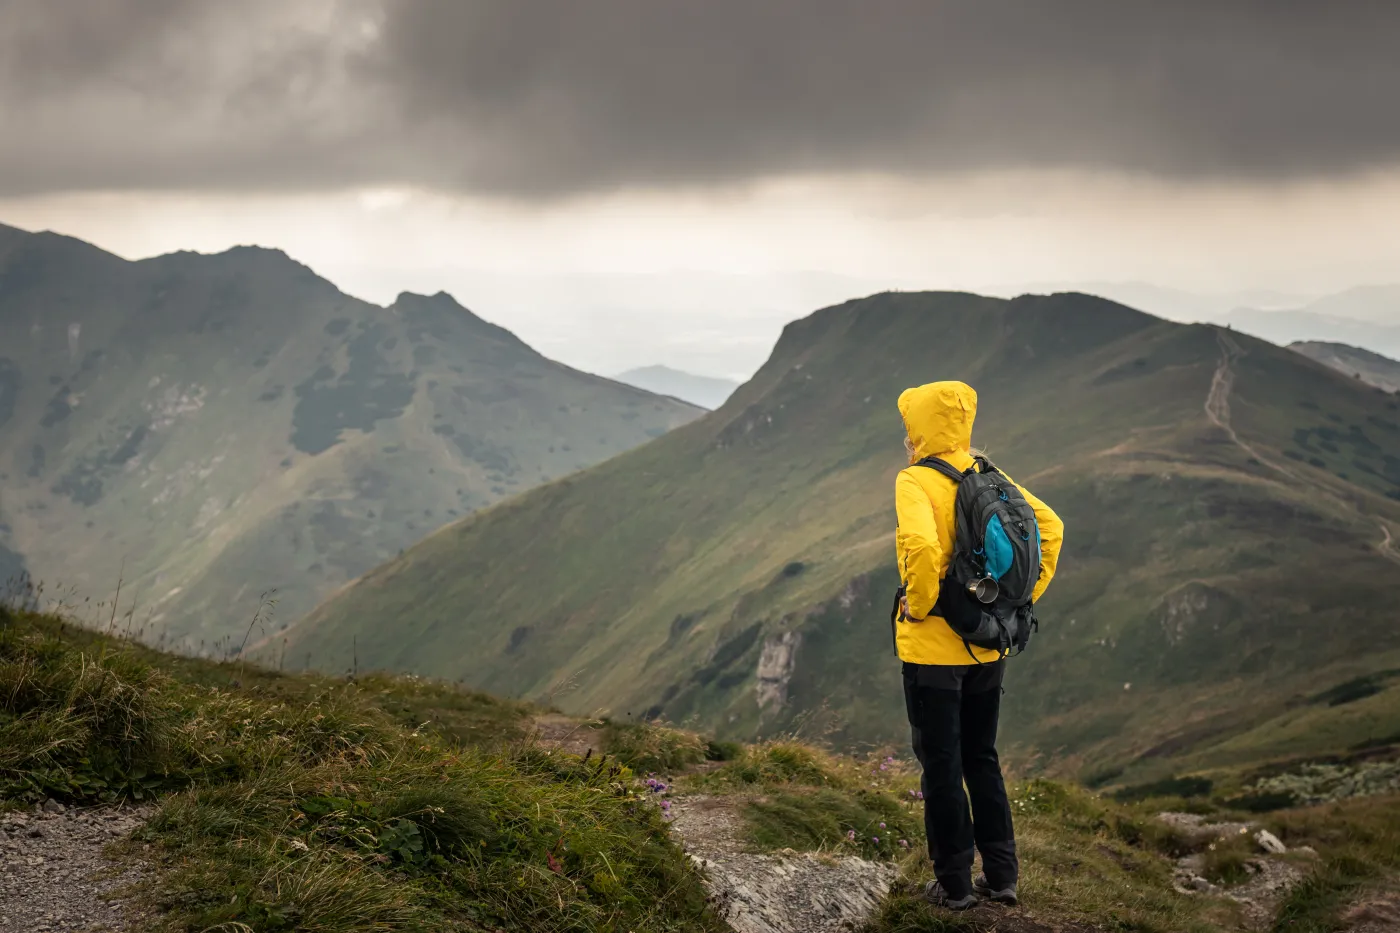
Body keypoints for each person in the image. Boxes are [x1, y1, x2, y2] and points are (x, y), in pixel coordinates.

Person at [894, 381, 1064, 910]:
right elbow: (1050, 528)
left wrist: (920, 608)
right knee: (981, 758)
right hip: (988, 646)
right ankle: (1003, 876)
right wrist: (1017, 603)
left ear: (918, 427)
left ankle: (954, 886)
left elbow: (921, 547)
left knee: (941, 764)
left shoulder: (915, 479)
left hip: (933, 655)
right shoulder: (988, 472)